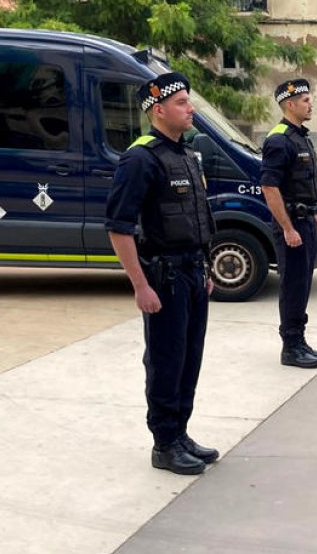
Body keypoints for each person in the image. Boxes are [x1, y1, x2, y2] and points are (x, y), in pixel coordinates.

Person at [105, 72, 219, 476]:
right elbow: (119, 227)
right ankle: (164, 443)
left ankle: (181, 433)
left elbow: (197, 218)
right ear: (159, 110)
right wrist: (140, 285)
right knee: (166, 360)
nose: (191, 109)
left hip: (192, 272)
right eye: (183, 103)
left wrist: (205, 267)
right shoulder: (140, 158)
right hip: (164, 276)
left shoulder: (187, 154)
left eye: (189, 102)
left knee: (190, 358)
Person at [260, 78, 317, 369]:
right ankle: (290, 347)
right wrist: (288, 228)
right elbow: (270, 188)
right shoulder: (279, 140)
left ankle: (299, 340)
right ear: (290, 104)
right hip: (291, 228)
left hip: (304, 222)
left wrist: (313, 213)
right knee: (292, 285)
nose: (310, 103)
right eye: (305, 100)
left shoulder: (300, 137)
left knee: (302, 285)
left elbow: (300, 184)